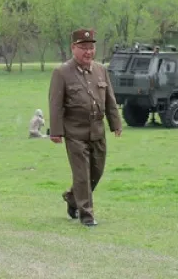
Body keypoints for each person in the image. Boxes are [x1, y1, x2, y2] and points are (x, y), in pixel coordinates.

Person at [48, 28, 122, 227]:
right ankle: (87, 216)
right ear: (73, 48)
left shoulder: (101, 70)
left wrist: (115, 123)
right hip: (75, 132)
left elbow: (110, 100)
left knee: (96, 172)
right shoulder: (62, 72)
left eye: (91, 48)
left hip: (97, 130)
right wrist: (56, 131)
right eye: (83, 48)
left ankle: (72, 198)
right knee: (82, 175)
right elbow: (55, 104)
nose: (88, 52)